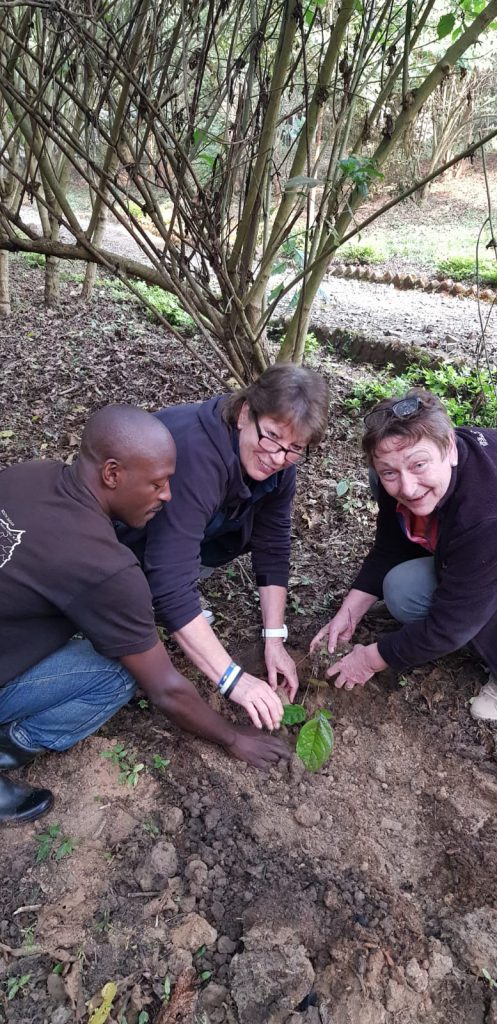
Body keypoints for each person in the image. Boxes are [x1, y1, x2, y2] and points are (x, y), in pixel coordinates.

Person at [0, 405, 290, 827]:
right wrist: (233, 736)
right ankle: (10, 745)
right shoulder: (106, 570)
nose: (168, 495)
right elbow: (167, 690)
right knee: (119, 672)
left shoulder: (31, 473)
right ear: (113, 474)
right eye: (157, 483)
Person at [117, 365, 330, 725]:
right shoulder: (197, 456)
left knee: (246, 528)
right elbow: (170, 581)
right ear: (246, 411)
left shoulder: (277, 459)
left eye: (295, 449)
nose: (278, 457)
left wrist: (274, 638)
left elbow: (273, 543)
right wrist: (233, 680)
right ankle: (132, 596)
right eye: (273, 438)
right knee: (153, 606)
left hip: (176, 538)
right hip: (115, 544)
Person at [311, 389, 497, 722]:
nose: (408, 488)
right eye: (390, 473)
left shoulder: (483, 515)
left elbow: (450, 627)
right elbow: (389, 547)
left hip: (488, 540)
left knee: (476, 599)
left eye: (419, 465)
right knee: (402, 589)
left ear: (450, 449)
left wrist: (370, 658)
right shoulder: (404, 469)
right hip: (477, 548)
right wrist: (350, 610)